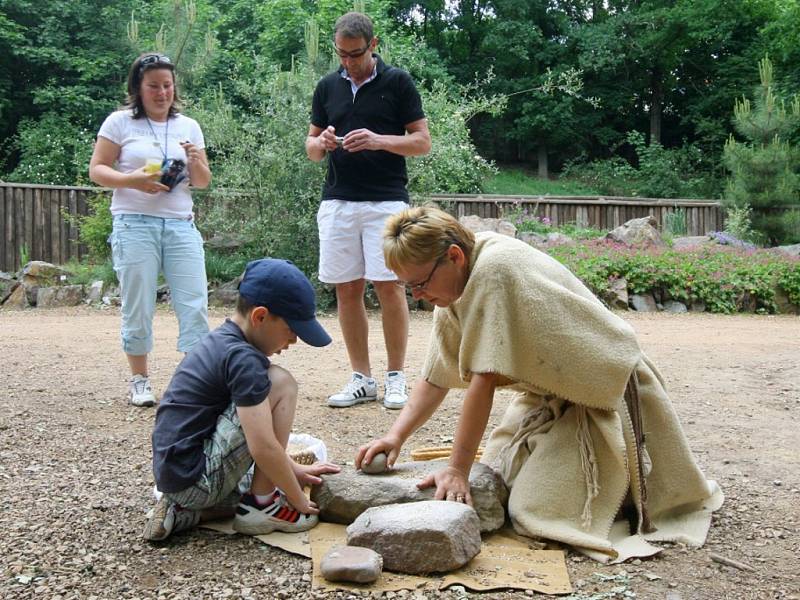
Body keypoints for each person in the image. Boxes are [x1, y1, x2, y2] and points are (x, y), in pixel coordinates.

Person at [357, 206, 723, 562]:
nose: (416, 295)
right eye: (409, 287)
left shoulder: (494, 272)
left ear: (453, 256)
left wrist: (457, 470)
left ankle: (625, 482)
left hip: (605, 394)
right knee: (501, 476)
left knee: (533, 509)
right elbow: (435, 377)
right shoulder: (452, 283)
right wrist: (395, 437)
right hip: (552, 395)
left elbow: (481, 384)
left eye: (420, 283)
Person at [144, 258, 341, 541]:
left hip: (178, 476)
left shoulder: (222, 339)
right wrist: (297, 499)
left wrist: (293, 470)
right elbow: (262, 446)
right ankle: (263, 504)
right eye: (291, 330)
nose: (295, 340)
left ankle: (184, 511)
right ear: (260, 316)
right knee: (281, 383)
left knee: (276, 471)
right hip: (197, 477)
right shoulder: (244, 359)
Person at [305, 11, 431, 410]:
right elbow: (309, 149)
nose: (348, 62)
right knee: (347, 289)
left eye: (355, 54)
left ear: (373, 46)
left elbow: (422, 142)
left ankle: (396, 377)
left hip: (386, 200)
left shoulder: (398, 82)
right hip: (338, 201)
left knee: (390, 287)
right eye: (341, 55)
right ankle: (362, 378)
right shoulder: (327, 87)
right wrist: (322, 141)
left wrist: (379, 140)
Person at [89, 52, 212, 407]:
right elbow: (97, 170)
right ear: (138, 89)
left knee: (194, 302)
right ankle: (140, 380)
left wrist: (194, 160)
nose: (162, 93)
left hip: (180, 225)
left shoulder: (189, 126)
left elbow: (202, 182)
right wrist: (133, 180)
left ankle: (194, 382)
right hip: (134, 223)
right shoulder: (119, 123)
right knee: (138, 304)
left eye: (168, 85)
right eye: (154, 86)